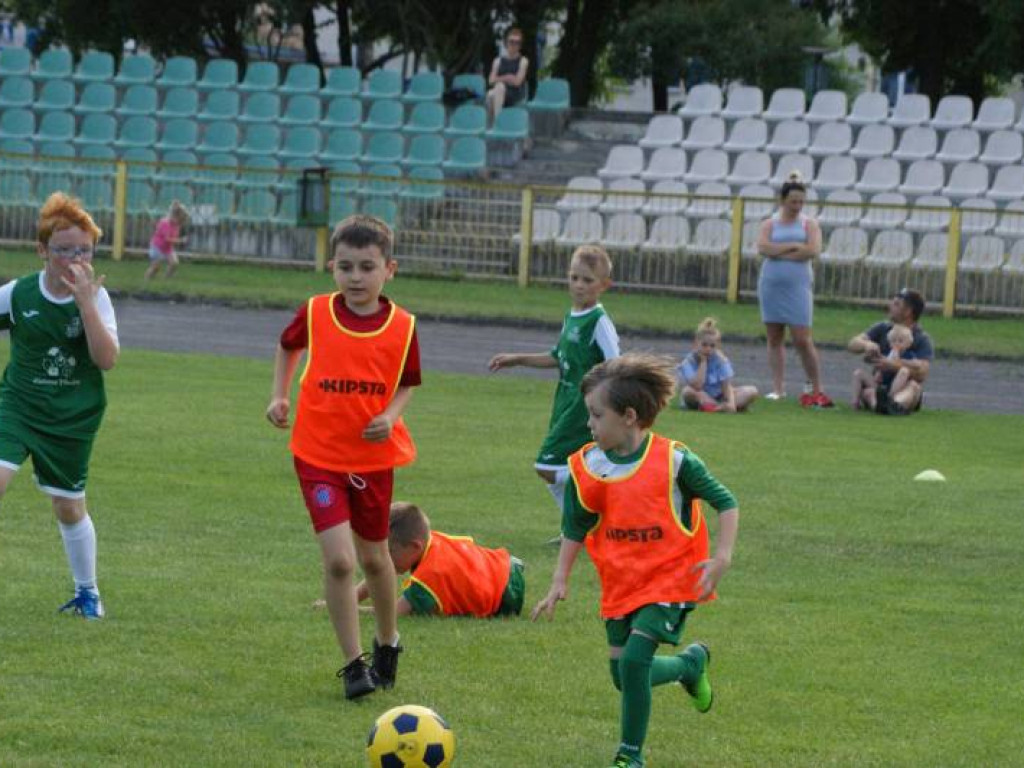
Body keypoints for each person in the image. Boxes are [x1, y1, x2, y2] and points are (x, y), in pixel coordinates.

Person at [532, 353, 740, 768]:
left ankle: (630, 755)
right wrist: (560, 579)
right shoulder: (588, 465)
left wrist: (722, 557)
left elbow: (726, 502)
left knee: (633, 661)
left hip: (672, 580)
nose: (588, 424)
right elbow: (575, 524)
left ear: (628, 416)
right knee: (622, 676)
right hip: (621, 583)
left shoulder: (674, 461)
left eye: (595, 414)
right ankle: (688, 665)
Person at [266, 214, 420, 700]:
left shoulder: (402, 326)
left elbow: (407, 382)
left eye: (367, 267)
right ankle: (354, 665)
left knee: (376, 560)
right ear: (332, 266)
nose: (356, 277)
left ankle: (387, 642)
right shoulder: (314, 313)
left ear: (389, 270)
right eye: (347, 267)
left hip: (371, 461)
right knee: (339, 561)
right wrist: (280, 395)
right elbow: (287, 347)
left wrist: (392, 416)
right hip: (317, 454)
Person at [0, 192, 119, 619]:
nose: (74, 258)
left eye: (83, 250)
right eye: (63, 250)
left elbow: (106, 360)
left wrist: (86, 304)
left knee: (68, 507)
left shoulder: (97, 298)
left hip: (72, 416)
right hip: (17, 406)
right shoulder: (19, 293)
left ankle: (87, 592)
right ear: (42, 250)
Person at [488, 245, 620, 528]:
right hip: (564, 401)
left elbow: (616, 366)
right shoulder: (571, 316)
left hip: (583, 407)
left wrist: (603, 405)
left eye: (587, 280)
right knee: (559, 466)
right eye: (574, 278)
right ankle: (577, 528)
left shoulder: (599, 322)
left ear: (604, 285)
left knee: (547, 466)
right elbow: (558, 358)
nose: (579, 285)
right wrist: (518, 359)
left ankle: (602, 483)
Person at [353, 502, 525, 618]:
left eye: (390, 551)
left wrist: (351, 608)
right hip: (505, 563)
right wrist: (350, 598)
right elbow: (382, 570)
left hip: (506, 595)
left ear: (415, 546)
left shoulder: (429, 579)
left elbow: (391, 612)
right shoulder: (432, 541)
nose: (383, 559)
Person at [756, 172, 834, 407]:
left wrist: (779, 249)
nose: (797, 206)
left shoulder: (809, 224)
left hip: (798, 287)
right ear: (783, 201)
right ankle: (778, 388)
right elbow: (763, 247)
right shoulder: (770, 223)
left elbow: (811, 250)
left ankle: (816, 387)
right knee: (774, 336)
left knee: (802, 339)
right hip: (771, 285)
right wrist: (792, 246)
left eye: (801, 202)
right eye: (793, 202)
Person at [848, 288, 933, 415]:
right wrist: (867, 345)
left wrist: (893, 365)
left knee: (913, 387)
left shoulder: (921, 338)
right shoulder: (883, 328)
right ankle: (882, 405)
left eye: (896, 304)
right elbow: (852, 344)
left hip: (904, 387)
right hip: (880, 385)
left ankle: (893, 404)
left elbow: (923, 372)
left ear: (908, 311)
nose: (890, 306)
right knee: (868, 392)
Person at [678, 317, 759, 413]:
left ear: (717, 346)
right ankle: (719, 407)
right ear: (696, 344)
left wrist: (730, 402)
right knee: (688, 392)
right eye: (704, 345)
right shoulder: (689, 361)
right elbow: (697, 385)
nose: (708, 349)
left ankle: (718, 406)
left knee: (752, 391)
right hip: (701, 393)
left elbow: (726, 385)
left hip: (720, 395)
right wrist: (703, 363)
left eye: (712, 346)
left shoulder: (721, 360)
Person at [849, 323, 915, 412]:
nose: (896, 344)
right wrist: (877, 368)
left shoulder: (909, 355)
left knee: (904, 371)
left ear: (908, 343)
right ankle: (855, 403)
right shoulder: (887, 354)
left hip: (896, 389)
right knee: (859, 374)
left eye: (900, 341)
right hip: (881, 386)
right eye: (893, 341)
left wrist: (897, 363)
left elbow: (913, 368)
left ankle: (889, 400)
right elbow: (869, 360)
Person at [485, 27, 530, 122]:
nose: (514, 45)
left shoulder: (523, 61)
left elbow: (517, 82)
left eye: (517, 42)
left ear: (520, 45)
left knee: (497, 88)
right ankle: (495, 124)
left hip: (516, 94)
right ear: (506, 43)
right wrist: (507, 77)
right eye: (511, 41)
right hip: (499, 92)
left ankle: (496, 123)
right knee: (490, 94)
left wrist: (499, 79)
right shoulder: (497, 61)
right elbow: (490, 81)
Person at [144, 201, 189, 281]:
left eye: (181, 222)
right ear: (173, 216)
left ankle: (166, 279)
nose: (180, 223)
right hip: (157, 247)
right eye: (179, 221)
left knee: (174, 263)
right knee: (156, 267)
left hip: (167, 248)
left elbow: (171, 238)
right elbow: (167, 239)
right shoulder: (165, 223)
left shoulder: (176, 225)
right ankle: (147, 279)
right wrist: (180, 241)